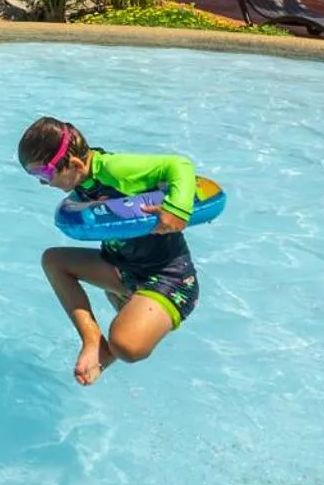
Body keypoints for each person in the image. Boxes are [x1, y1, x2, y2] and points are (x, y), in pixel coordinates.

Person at [19, 116, 200, 386]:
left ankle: (114, 348)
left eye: (44, 174)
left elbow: (179, 165)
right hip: (121, 269)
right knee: (53, 260)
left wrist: (177, 209)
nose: (42, 183)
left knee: (125, 344)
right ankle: (93, 340)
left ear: (75, 164)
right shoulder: (83, 179)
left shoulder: (115, 169)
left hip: (168, 277)